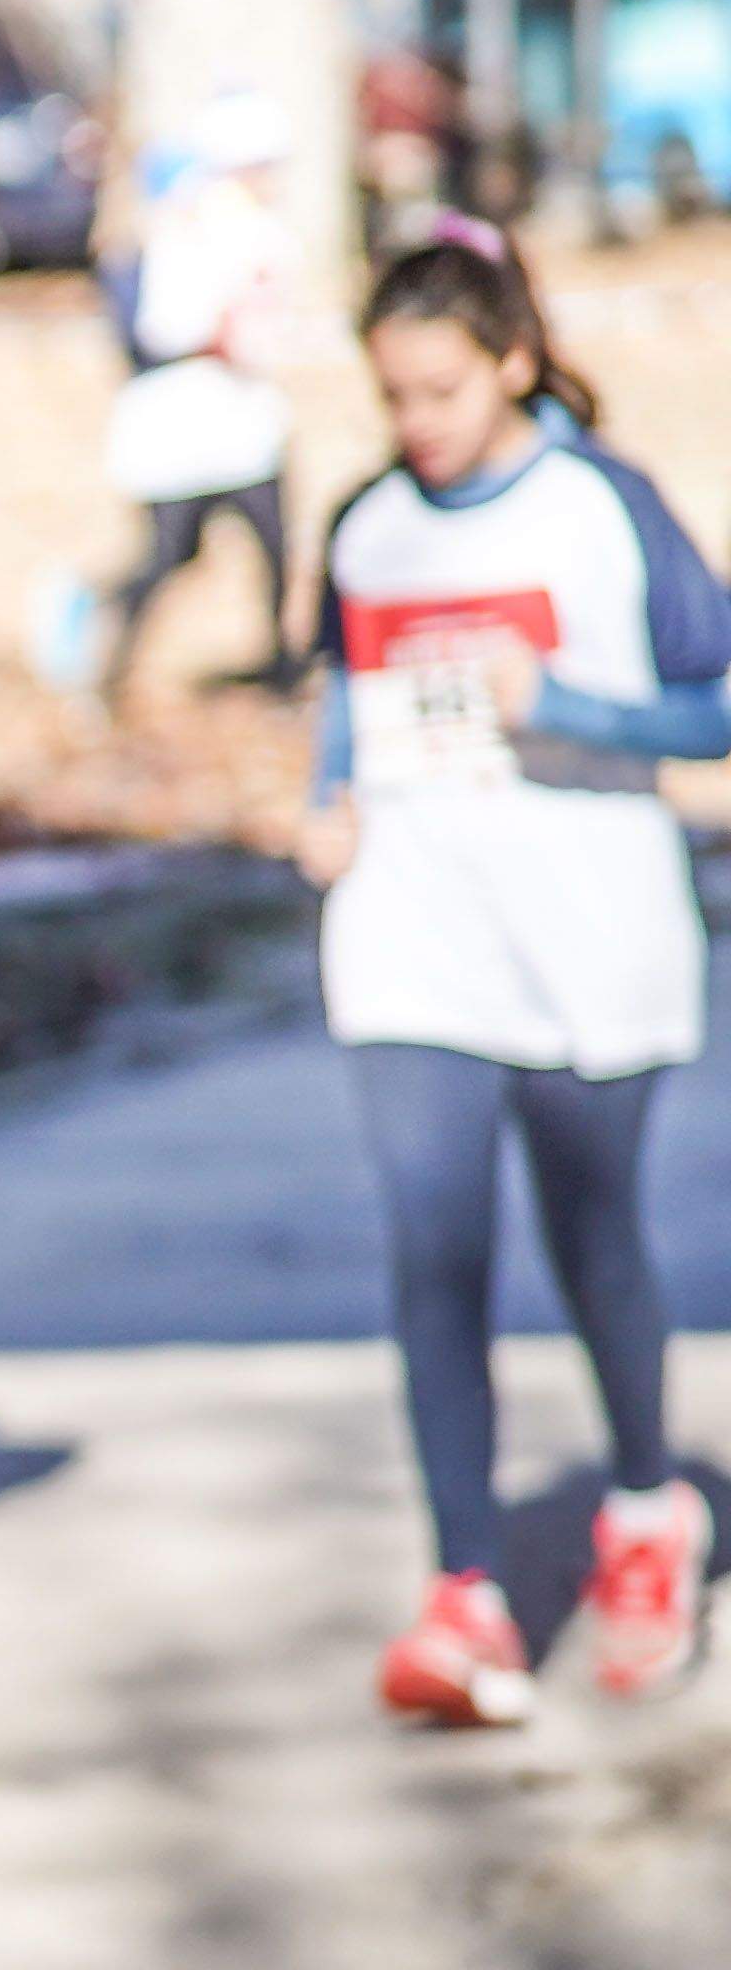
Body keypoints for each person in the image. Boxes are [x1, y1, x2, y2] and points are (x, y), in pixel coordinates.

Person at [295, 226, 728, 1726]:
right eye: (395, 397)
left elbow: (713, 708)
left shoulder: (604, 510)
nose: (417, 427)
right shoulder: (365, 525)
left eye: (442, 393)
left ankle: (642, 1507)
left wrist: (575, 706)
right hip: (416, 933)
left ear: (515, 366)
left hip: (588, 931)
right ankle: (466, 1586)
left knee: (592, 1236)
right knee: (433, 1251)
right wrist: (327, 803)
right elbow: (343, 691)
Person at [94, 91, 310, 709]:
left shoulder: (258, 230)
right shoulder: (185, 226)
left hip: (245, 425)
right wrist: (218, 335)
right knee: (170, 556)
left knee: (275, 544)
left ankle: (282, 664)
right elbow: (161, 328)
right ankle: (109, 650)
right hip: (184, 429)